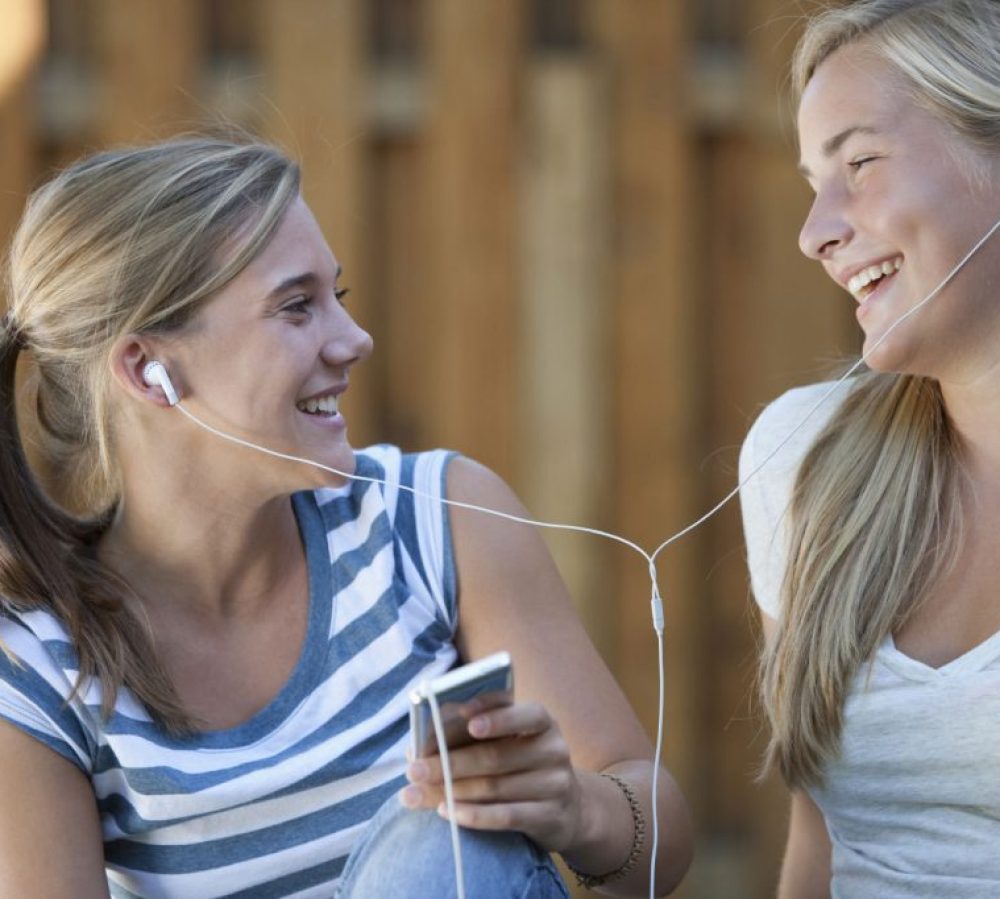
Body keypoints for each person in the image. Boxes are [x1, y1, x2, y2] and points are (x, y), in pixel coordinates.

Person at [0, 138, 692, 898]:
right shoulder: (38, 662)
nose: (354, 340)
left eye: (339, 295)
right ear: (148, 371)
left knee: (438, 845)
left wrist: (572, 804)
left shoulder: (433, 520)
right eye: (297, 306)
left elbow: (662, 841)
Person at [739, 1, 1000, 896]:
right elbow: (819, 839)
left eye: (860, 163)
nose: (816, 233)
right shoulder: (803, 456)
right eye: (816, 183)